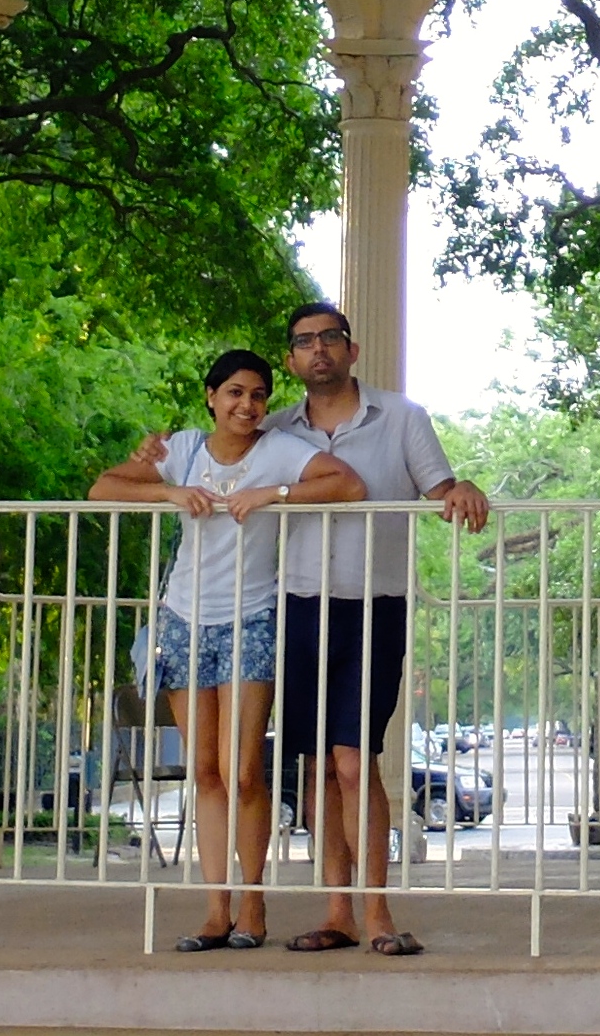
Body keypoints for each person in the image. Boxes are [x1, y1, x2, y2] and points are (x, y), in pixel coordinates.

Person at [90, 348, 362, 951]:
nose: (247, 404)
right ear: (212, 397)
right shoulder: (184, 448)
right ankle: (216, 909)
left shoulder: (279, 449)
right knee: (205, 771)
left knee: (243, 771)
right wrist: (168, 494)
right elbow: (103, 486)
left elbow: (348, 483)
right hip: (183, 619)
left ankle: (253, 901)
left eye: (258, 394)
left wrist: (275, 494)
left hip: (251, 617)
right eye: (235, 392)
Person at [264, 300, 488, 958]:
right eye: (304, 341)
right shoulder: (276, 430)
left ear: (351, 349)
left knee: (354, 760)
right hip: (298, 605)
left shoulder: (401, 417)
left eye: (330, 337)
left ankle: (378, 913)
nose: (318, 349)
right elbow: (217, 465)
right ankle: (336, 913)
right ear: (291, 360)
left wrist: (464, 486)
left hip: (374, 603)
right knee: (317, 766)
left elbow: (440, 487)